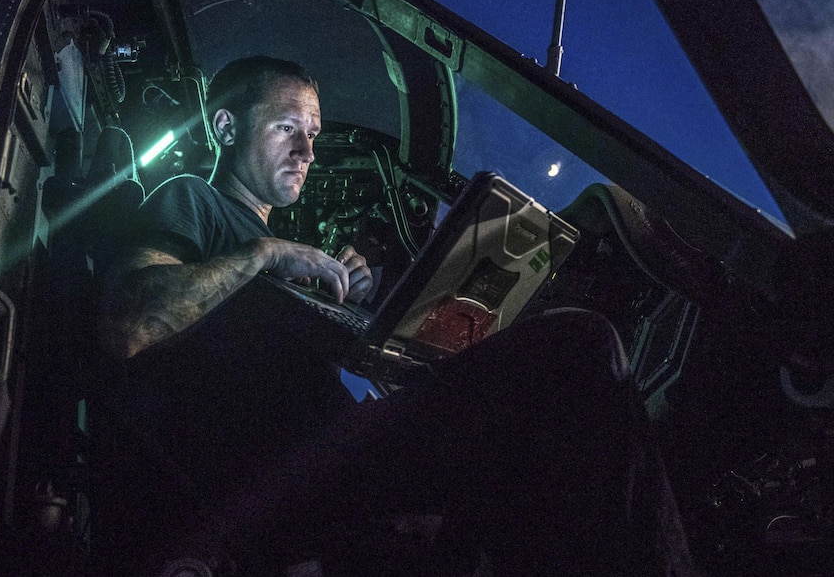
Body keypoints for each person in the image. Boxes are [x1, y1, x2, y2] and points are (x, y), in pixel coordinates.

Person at [96, 56, 695, 575]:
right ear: (226, 126)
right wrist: (268, 252)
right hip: (291, 474)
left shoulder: (292, 259)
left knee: (542, 454)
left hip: (337, 450)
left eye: (312, 132)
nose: (307, 151)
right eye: (287, 128)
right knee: (577, 345)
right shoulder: (193, 201)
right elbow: (135, 322)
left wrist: (358, 305)